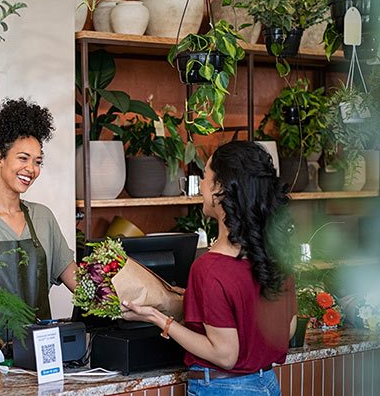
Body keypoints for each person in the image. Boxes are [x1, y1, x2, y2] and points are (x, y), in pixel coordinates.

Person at [121, 141, 296, 396]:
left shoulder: (210, 267)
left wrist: (158, 318)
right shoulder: (277, 257)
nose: (201, 185)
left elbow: (225, 355)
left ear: (220, 189)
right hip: (266, 383)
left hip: (224, 388)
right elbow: (287, 330)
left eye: (205, 176)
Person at [0, 98, 77, 321]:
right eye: (23, 158)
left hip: (41, 347)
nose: (31, 169)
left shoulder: (43, 218)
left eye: (37, 162)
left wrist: (121, 301)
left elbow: (77, 282)